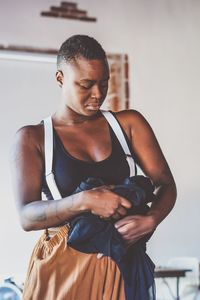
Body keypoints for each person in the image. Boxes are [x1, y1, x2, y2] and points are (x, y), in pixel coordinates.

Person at [11, 34, 177, 300]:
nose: (98, 94)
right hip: (66, 270)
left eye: (103, 83)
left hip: (124, 265)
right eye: (86, 85)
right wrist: (84, 201)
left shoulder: (129, 125)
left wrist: (152, 218)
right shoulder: (32, 138)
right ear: (60, 78)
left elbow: (166, 183)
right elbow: (26, 216)